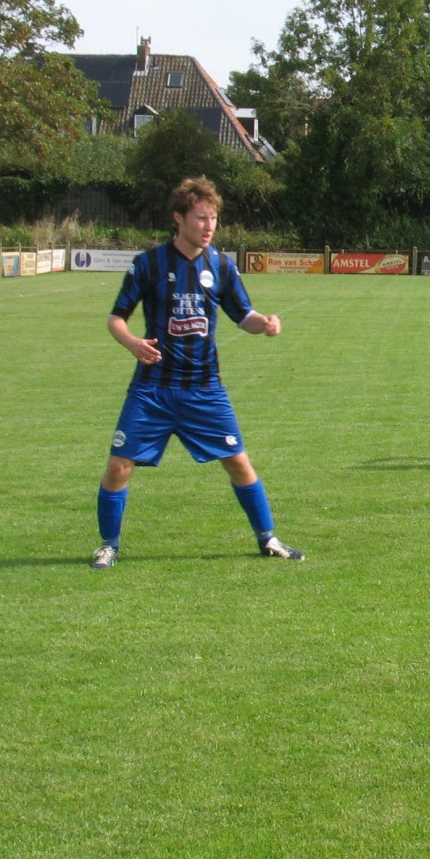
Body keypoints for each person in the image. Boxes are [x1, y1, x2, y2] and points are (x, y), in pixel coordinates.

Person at [89, 177, 303, 568]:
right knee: (119, 466)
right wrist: (133, 343)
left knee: (239, 462)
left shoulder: (221, 265)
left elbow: (244, 315)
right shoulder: (149, 263)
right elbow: (116, 318)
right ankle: (108, 544)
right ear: (179, 218)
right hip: (152, 389)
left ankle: (268, 538)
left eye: (214, 219)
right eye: (201, 218)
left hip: (204, 388)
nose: (208, 227)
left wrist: (266, 324)